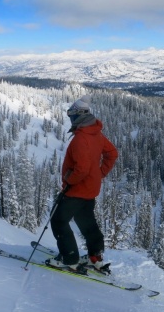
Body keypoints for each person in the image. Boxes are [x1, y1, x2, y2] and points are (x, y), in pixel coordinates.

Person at [47, 96, 118, 274]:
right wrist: (100, 173)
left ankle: (69, 258)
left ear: (78, 116)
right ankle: (95, 256)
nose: (70, 120)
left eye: (72, 116)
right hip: (90, 189)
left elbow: (82, 169)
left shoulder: (81, 139)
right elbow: (112, 154)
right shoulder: (96, 134)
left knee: (58, 220)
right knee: (86, 222)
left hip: (77, 190)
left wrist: (69, 181)